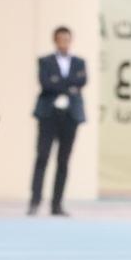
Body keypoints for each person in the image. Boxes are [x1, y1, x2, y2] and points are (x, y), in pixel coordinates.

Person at [30, 26, 87, 217]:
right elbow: (46, 83)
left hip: (70, 116)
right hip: (48, 114)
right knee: (42, 156)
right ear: (55, 40)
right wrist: (69, 86)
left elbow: (82, 81)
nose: (64, 42)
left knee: (63, 160)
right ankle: (35, 201)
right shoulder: (45, 61)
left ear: (71, 40)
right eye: (61, 39)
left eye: (67, 39)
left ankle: (57, 204)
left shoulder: (79, 62)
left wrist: (59, 83)